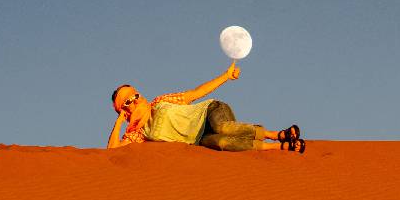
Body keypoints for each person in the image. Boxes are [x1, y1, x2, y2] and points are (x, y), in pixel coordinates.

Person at [107, 62, 305, 153]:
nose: (135, 99)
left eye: (136, 94)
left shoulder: (160, 102)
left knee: (222, 128)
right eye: (128, 101)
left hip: (211, 112)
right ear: (124, 109)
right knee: (222, 143)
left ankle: (275, 134)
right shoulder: (139, 135)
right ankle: (280, 147)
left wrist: (226, 76)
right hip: (200, 139)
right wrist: (118, 122)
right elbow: (112, 150)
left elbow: (195, 94)